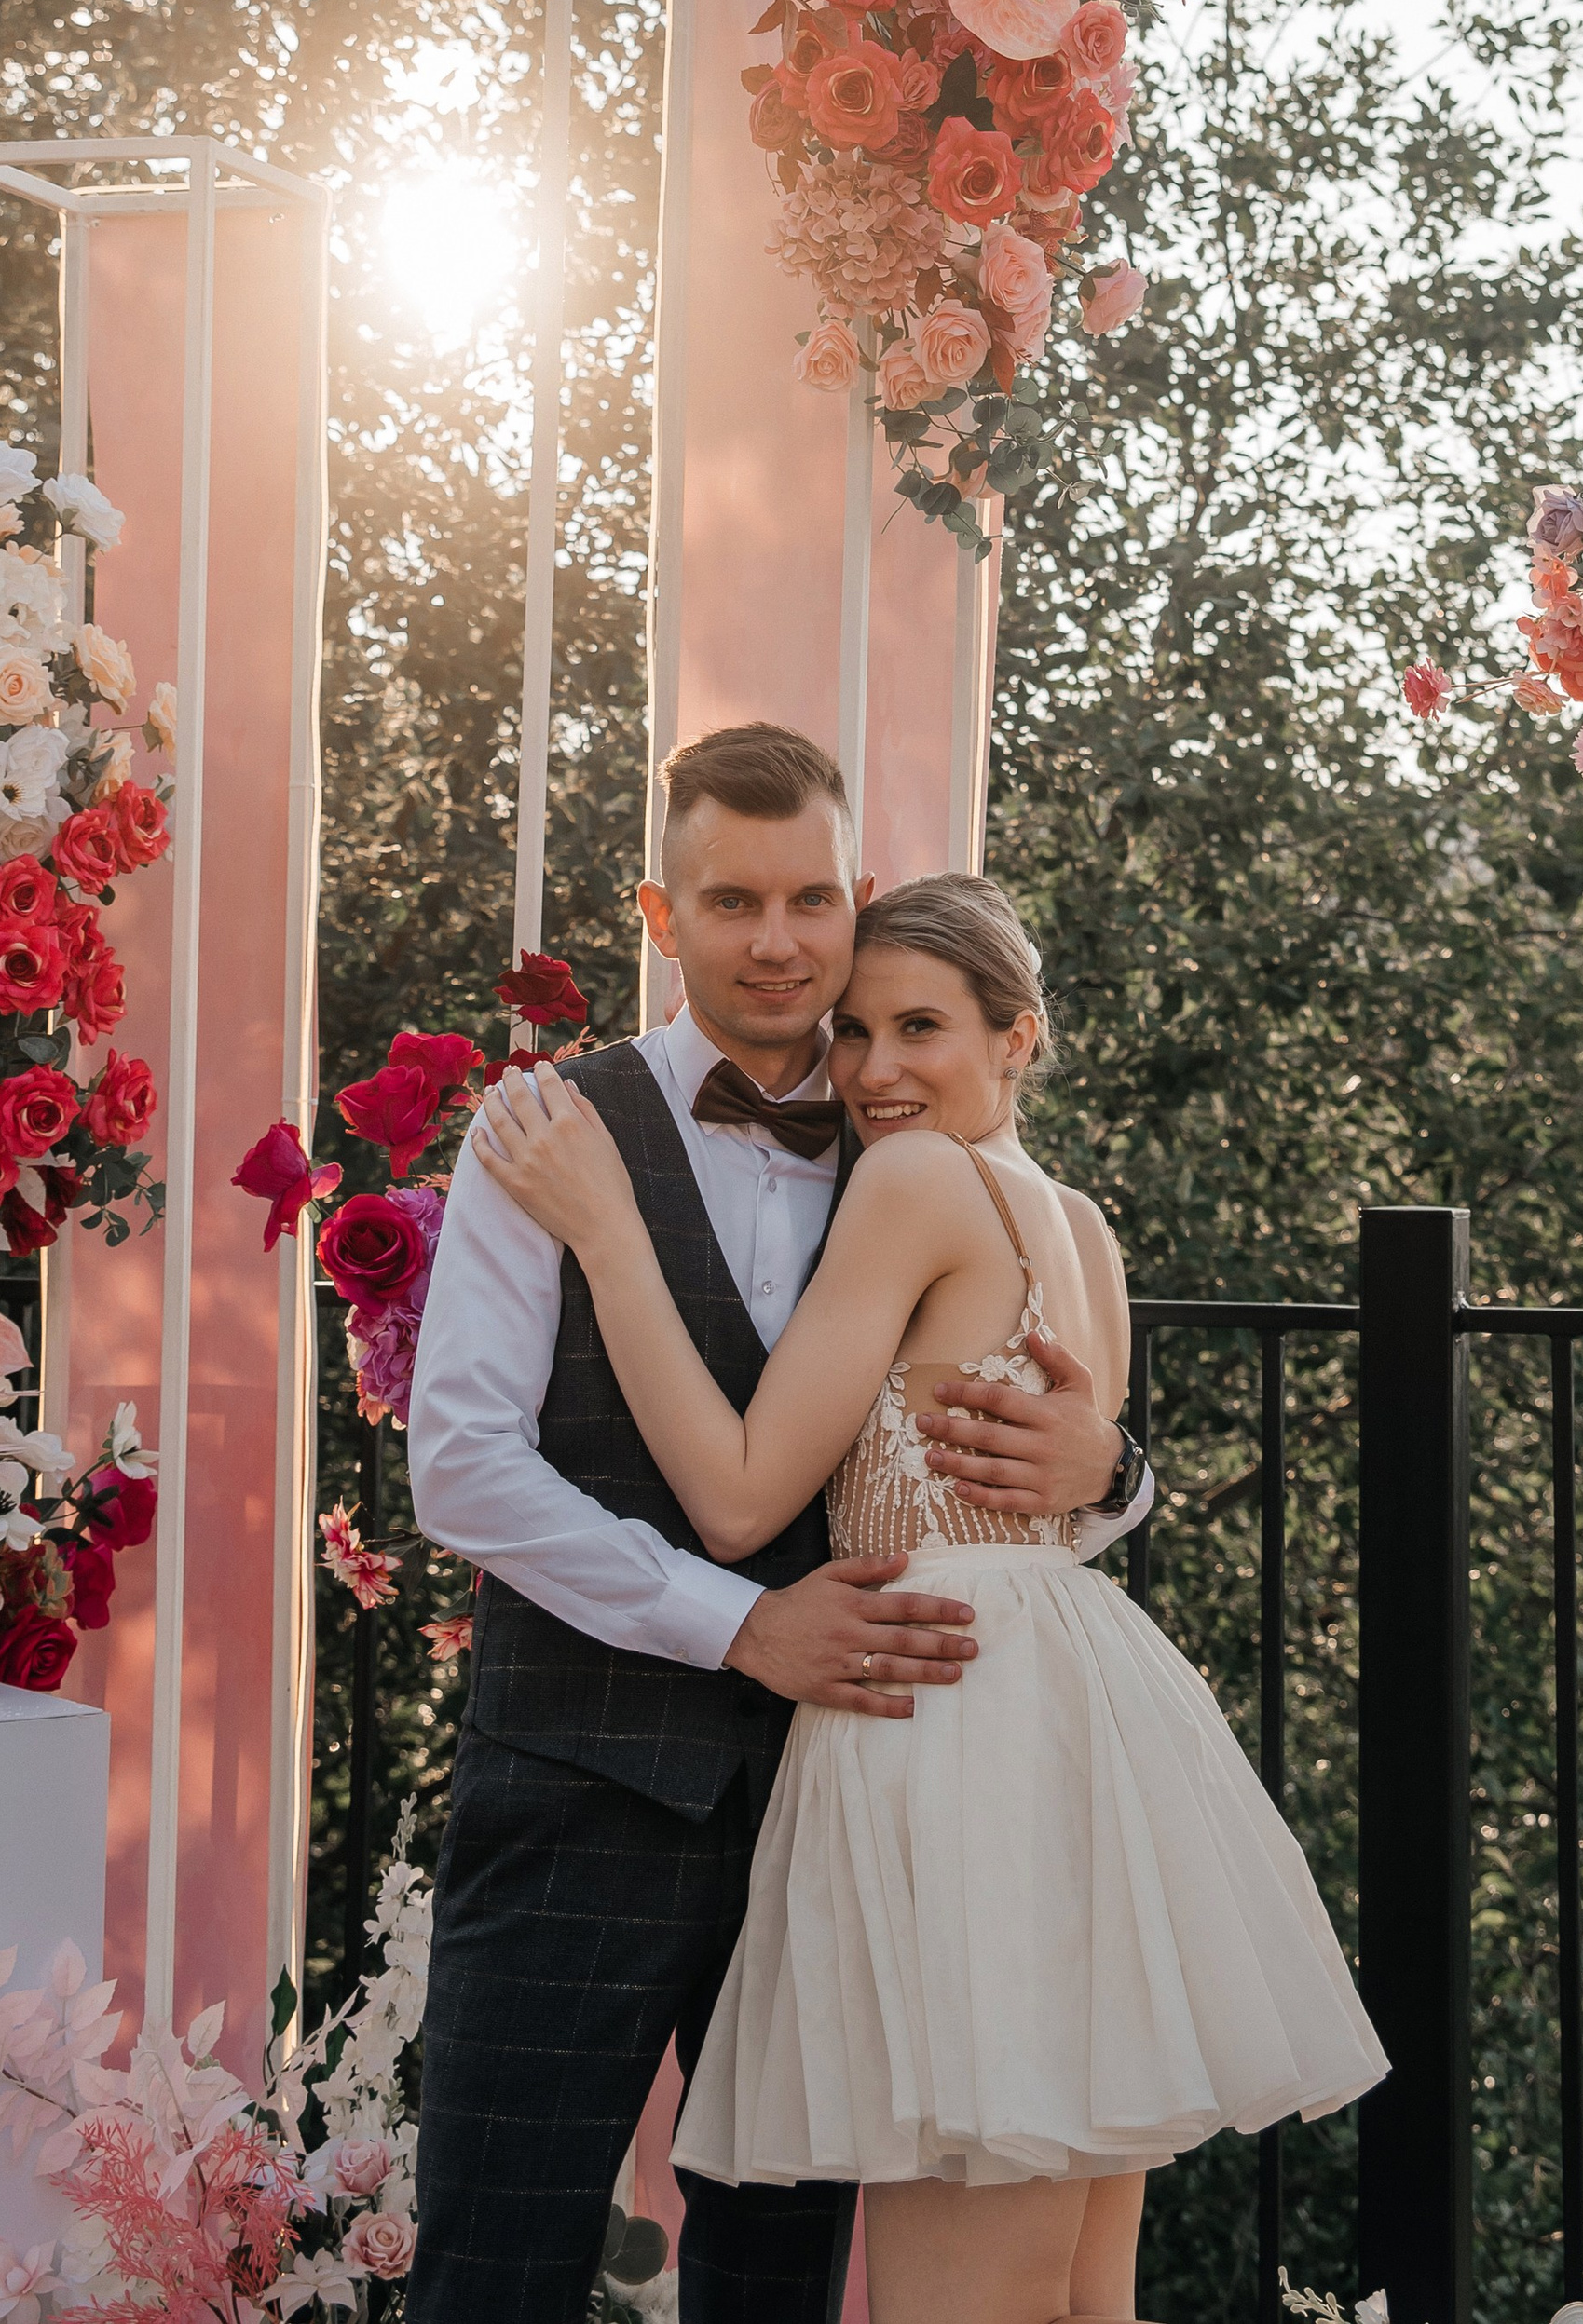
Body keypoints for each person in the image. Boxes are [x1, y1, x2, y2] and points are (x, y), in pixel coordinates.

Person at [471, 869, 1388, 2324]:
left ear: (1017, 1037)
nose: (875, 1070)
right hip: (1075, 1711)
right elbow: (1052, 1508)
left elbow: (738, 1498)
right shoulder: (1081, 1226)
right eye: (854, 1031)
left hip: (951, 1723)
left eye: (920, 1029)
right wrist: (1117, 1472)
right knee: (1077, 2296)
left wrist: (607, 1232)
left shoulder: (910, 1183)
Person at [405, 726, 1151, 2324]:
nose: (779, 941)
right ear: (662, 915)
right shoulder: (546, 1133)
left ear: (855, 896)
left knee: (780, 2291)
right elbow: (462, 1467)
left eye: (812, 898)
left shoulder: (913, 1139)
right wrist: (740, 1624)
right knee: (494, 2269)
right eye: (731, 901)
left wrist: (1110, 1471)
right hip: (581, 1787)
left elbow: (993, 1453)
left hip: (849, 1807)